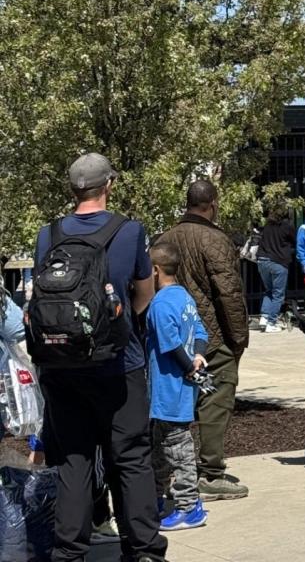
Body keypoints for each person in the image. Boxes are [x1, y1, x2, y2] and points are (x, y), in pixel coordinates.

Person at [32, 153, 167, 561]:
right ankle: (143, 550)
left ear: (73, 189)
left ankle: (70, 552)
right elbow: (144, 295)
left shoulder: (48, 234)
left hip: (59, 364)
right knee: (130, 457)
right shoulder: (129, 231)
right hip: (118, 364)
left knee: (73, 457)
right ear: (108, 184)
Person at [162, 178, 249, 501]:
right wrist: (238, 337)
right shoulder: (214, 239)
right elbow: (228, 292)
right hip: (212, 336)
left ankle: (174, 470)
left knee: (178, 403)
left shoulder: (166, 238)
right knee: (216, 399)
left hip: (176, 334)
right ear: (212, 203)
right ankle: (211, 473)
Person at [146, 241, 209, 533]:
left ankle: (188, 505)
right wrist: (197, 356)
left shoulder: (159, 304)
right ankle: (156, 498)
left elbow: (170, 344)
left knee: (179, 449)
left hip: (170, 388)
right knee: (159, 447)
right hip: (178, 389)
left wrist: (188, 368)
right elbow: (200, 331)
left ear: (156, 270)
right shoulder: (184, 296)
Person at [257, 204, 296, 333]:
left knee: (269, 290)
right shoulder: (287, 226)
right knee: (278, 294)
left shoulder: (267, 226)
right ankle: (271, 322)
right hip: (279, 262)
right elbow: (293, 241)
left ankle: (264, 316)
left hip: (262, 260)